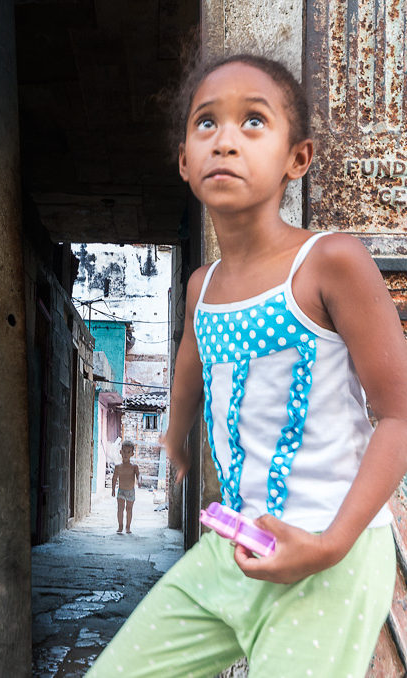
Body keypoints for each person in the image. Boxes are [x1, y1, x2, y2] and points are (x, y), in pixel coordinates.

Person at [86, 53, 407, 678]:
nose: (226, 140)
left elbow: (400, 414)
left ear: (298, 158)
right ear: (184, 160)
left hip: (327, 557)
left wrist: (329, 545)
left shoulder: (329, 262)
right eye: (207, 124)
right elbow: (189, 362)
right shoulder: (202, 287)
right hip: (236, 544)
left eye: (253, 121)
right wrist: (176, 444)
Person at [113, 440, 140, 534]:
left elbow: (138, 476)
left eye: (128, 452)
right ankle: (120, 526)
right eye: (124, 451)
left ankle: (128, 527)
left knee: (129, 509)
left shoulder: (134, 467)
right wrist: (113, 489)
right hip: (121, 491)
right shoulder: (118, 467)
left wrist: (139, 481)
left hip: (130, 492)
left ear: (132, 454)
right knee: (120, 508)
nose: (126, 454)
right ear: (120, 452)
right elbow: (114, 478)